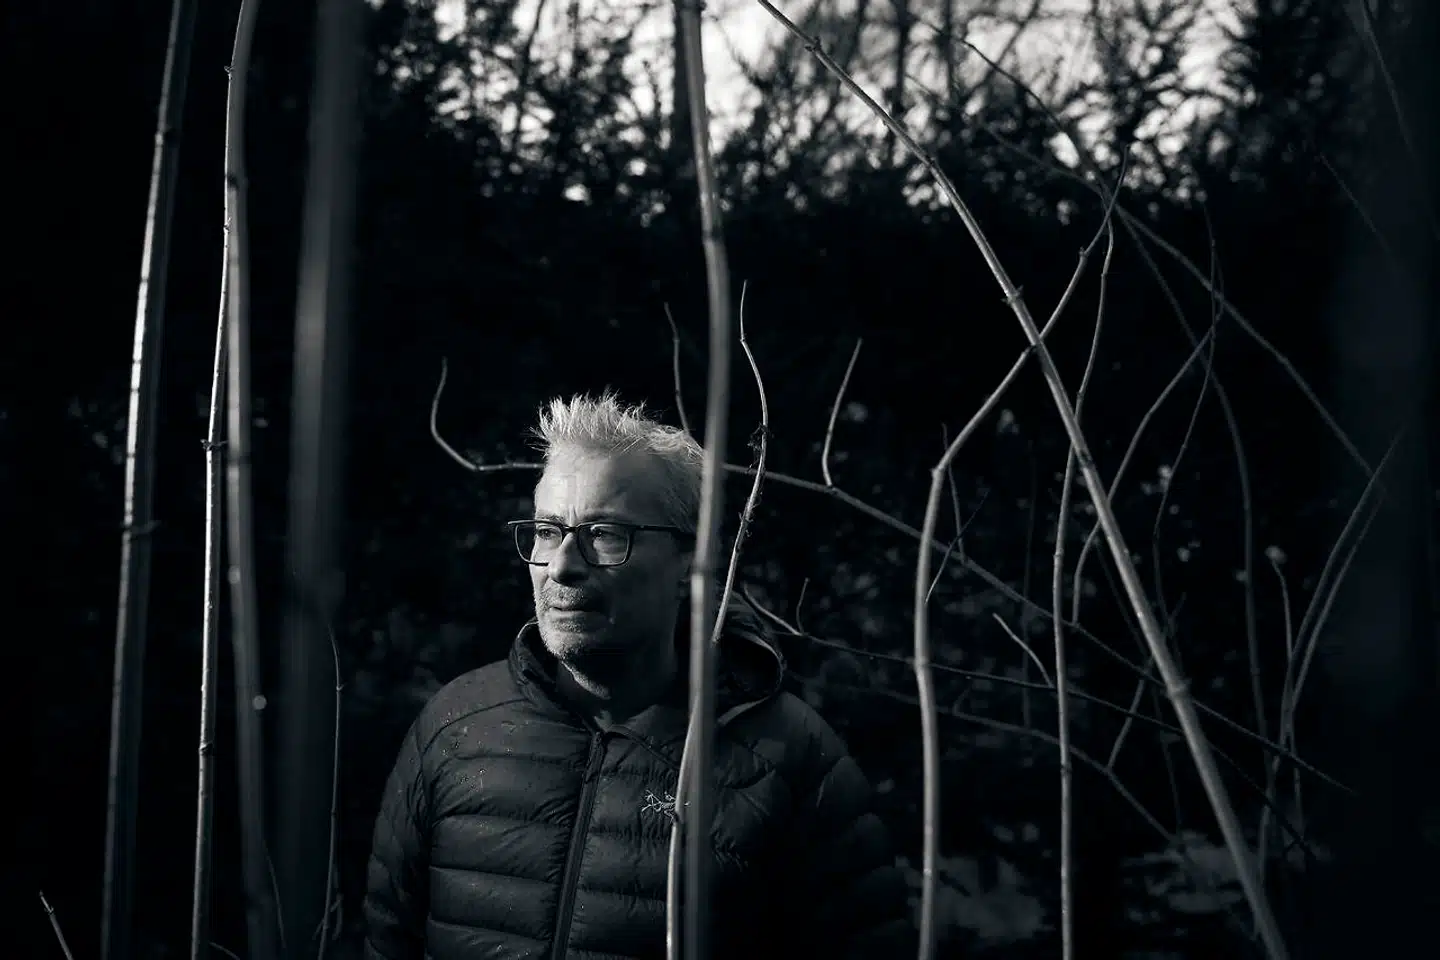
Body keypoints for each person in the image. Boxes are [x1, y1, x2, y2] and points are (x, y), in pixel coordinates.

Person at [364, 392, 913, 960]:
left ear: (690, 562)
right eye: (548, 531)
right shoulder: (455, 729)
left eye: (604, 534)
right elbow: (386, 942)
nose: (562, 566)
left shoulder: (790, 760)